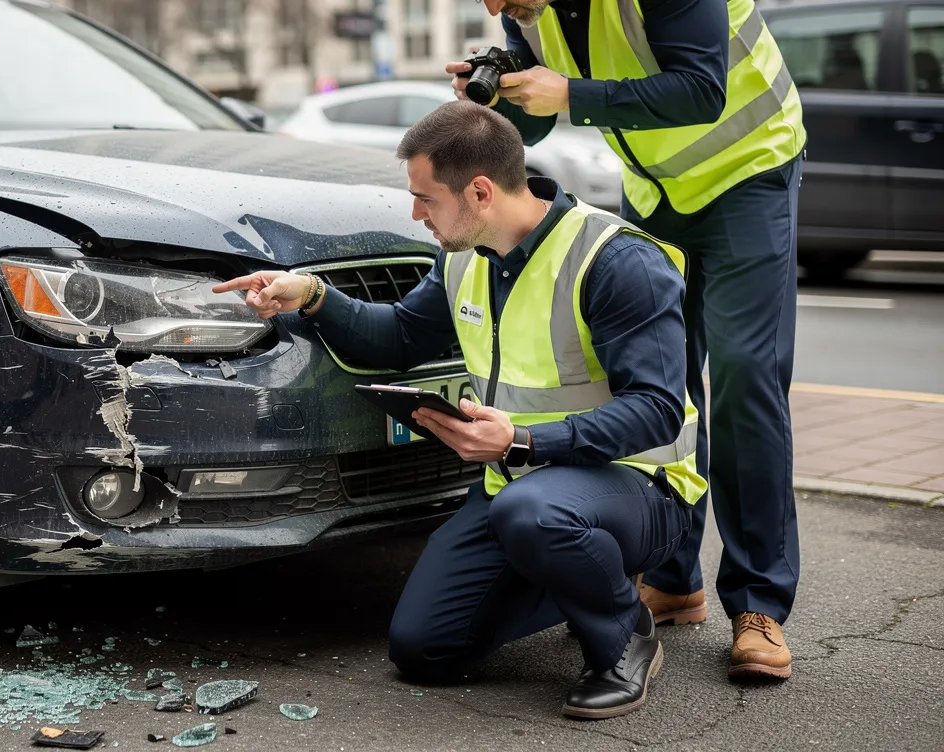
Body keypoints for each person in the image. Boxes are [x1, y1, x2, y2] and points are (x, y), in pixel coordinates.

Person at [213, 101, 705, 719]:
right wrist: (311, 295)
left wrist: (521, 441)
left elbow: (657, 410)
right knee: (425, 648)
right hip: (524, 488)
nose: (416, 214)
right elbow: (397, 337)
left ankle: (622, 636)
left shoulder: (617, 261)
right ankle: (581, 576)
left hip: (641, 488)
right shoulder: (464, 256)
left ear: (479, 191)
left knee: (534, 514)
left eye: (426, 198)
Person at [447, 0, 805, 680]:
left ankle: (758, 604)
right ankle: (674, 580)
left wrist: (570, 93)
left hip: (748, 170)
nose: (495, 6)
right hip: (658, 189)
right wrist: (495, 99)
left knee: (744, 376)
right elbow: (537, 118)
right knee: (657, 381)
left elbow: (701, 89)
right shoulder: (526, 11)